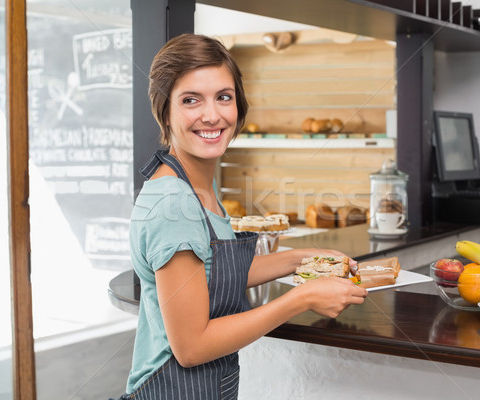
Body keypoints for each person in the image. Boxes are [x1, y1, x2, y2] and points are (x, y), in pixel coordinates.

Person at [116, 33, 367, 400]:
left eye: (224, 97)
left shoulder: (194, 184)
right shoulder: (174, 205)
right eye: (190, 100)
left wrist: (301, 260)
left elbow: (209, 275)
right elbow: (192, 347)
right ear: (164, 110)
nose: (212, 115)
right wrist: (301, 299)